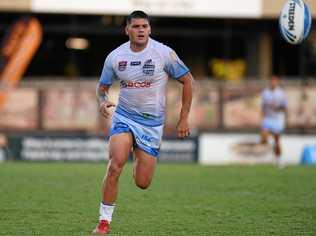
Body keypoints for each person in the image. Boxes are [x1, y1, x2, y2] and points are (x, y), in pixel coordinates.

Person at [92, 10, 194, 235]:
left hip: (151, 125)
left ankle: (139, 155)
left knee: (143, 183)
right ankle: (103, 223)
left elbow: (188, 80)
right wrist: (102, 101)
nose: (141, 30)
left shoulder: (163, 53)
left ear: (149, 29)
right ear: (126, 29)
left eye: (144, 27)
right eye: (136, 26)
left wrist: (183, 118)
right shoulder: (115, 57)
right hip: (124, 117)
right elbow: (102, 89)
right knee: (115, 165)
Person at [260, 76, 287, 168]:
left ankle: (279, 159)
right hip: (267, 118)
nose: (273, 83)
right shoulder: (265, 93)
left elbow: (284, 107)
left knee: (277, 141)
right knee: (264, 137)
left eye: (274, 82)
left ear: (277, 83)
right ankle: (270, 146)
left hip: (277, 119)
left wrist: (277, 107)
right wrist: (262, 117)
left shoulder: (281, 93)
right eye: (271, 82)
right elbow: (263, 106)